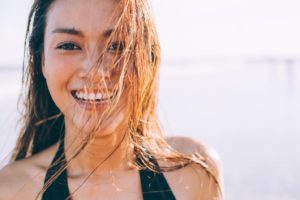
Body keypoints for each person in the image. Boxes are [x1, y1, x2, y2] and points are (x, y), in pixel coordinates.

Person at [0, 0, 223, 199]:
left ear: (148, 57)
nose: (95, 71)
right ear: (42, 62)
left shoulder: (193, 171)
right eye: (69, 45)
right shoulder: (11, 191)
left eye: (118, 45)